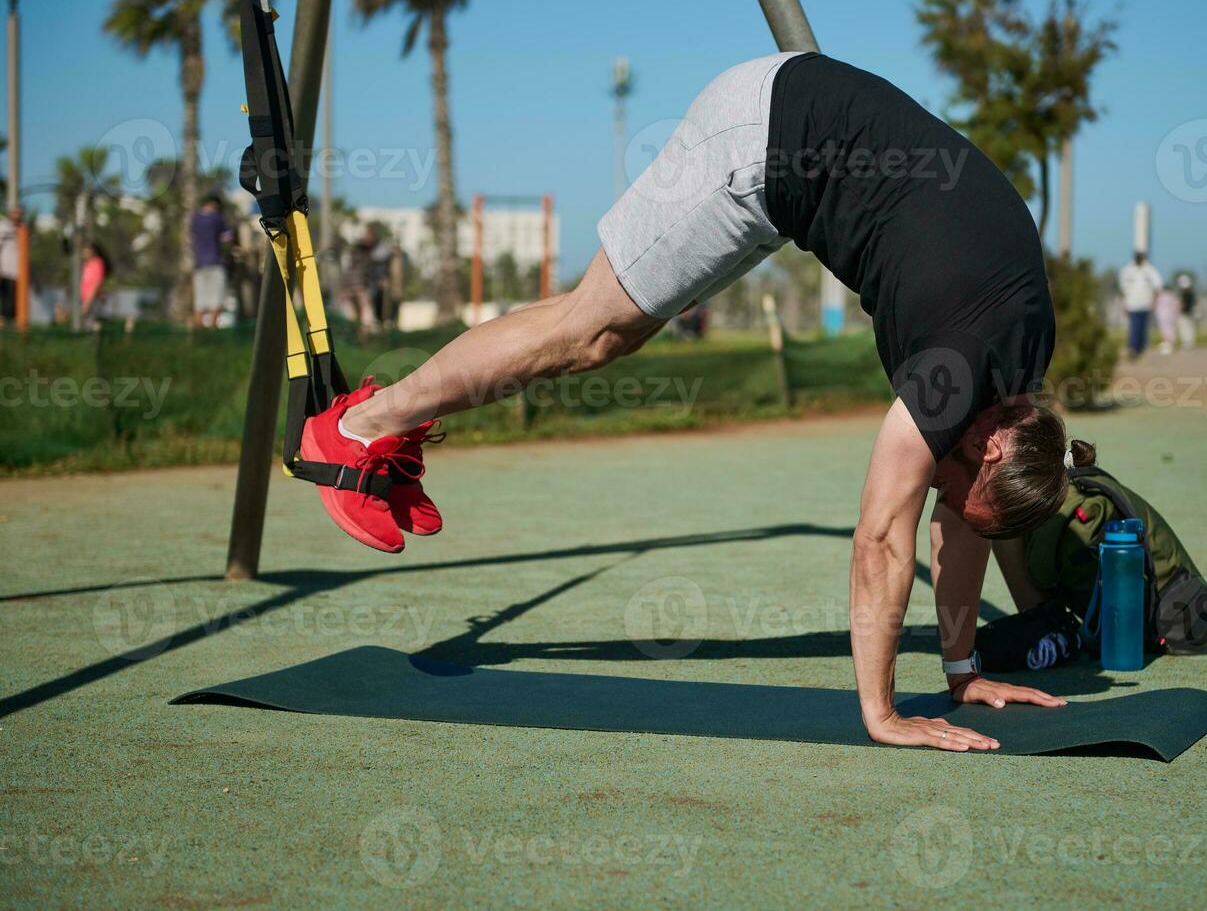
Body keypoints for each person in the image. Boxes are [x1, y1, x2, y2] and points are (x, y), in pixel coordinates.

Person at [301, 53, 1080, 751]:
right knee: (591, 329)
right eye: (954, 484)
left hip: (795, 137)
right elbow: (880, 536)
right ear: (995, 445)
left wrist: (959, 671)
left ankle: (375, 425)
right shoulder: (954, 371)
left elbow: (957, 523)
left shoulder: (1015, 382)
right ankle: (356, 428)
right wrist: (881, 712)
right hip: (759, 138)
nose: (939, 491)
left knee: (608, 332)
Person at [190, 195, 234, 329]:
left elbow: (190, 238)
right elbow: (227, 238)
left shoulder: (195, 219)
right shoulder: (217, 218)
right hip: (215, 264)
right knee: (216, 302)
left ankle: (198, 336)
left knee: (199, 303)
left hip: (199, 266)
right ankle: (212, 334)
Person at [1118, 252, 1162, 360]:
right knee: (1134, 327)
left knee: (1143, 328)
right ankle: (1133, 348)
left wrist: (1154, 301)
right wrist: (1124, 304)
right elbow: (1123, 289)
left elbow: (1158, 285)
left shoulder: (1149, 270)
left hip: (1146, 304)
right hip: (1132, 304)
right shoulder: (1127, 270)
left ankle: (1141, 348)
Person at [0, 205, 23, 327]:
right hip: (6, 270)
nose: (18, 216)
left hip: (20, 273)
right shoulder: (3, 227)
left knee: (16, 299)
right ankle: (3, 324)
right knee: (7, 298)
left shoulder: (22, 229)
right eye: (16, 213)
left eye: (20, 213)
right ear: (10, 214)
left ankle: (16, 324)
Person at [80, 242, 112, 325]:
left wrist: (88, 302)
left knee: (91, 324)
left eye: (87, 250)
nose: (84, 253)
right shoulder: (87, 264)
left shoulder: (97, 263)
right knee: (88, 322)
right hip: (86, 299)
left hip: (94, 299)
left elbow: (96, 284)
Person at [1154, 283, 1179, 354]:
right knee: (1171, 329)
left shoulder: (1160, 296)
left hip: (1162, 315)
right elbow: (1175, 306)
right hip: (1170, 315)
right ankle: (1171, 343)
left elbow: (1156, 305)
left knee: (1164, 329)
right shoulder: (1171, 295)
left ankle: (1167, 344)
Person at [1176, 274, 1197, 350]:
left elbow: (1183, 304)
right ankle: (1190, 343)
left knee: (1185, 328)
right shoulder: (1192, 292)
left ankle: (1187, 343)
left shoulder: (1185, 293)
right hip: (1190, 312)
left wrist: (1180, 310)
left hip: (1185, 313)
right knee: (1189, 328)